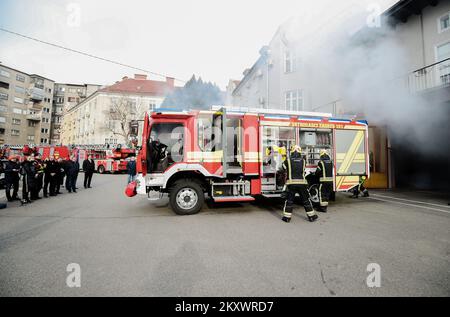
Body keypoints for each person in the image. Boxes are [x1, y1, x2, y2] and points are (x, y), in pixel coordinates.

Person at [281, 145, 318, 223]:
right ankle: (311, 216)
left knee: (289, 200)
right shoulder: (303, 161)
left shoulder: (288, 160)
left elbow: (283, 168)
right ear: (300, 152)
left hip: (291, 184)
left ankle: (287, 218)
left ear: (291, 151)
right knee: (306, 200)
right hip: (302, 183)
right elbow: (303, 170)